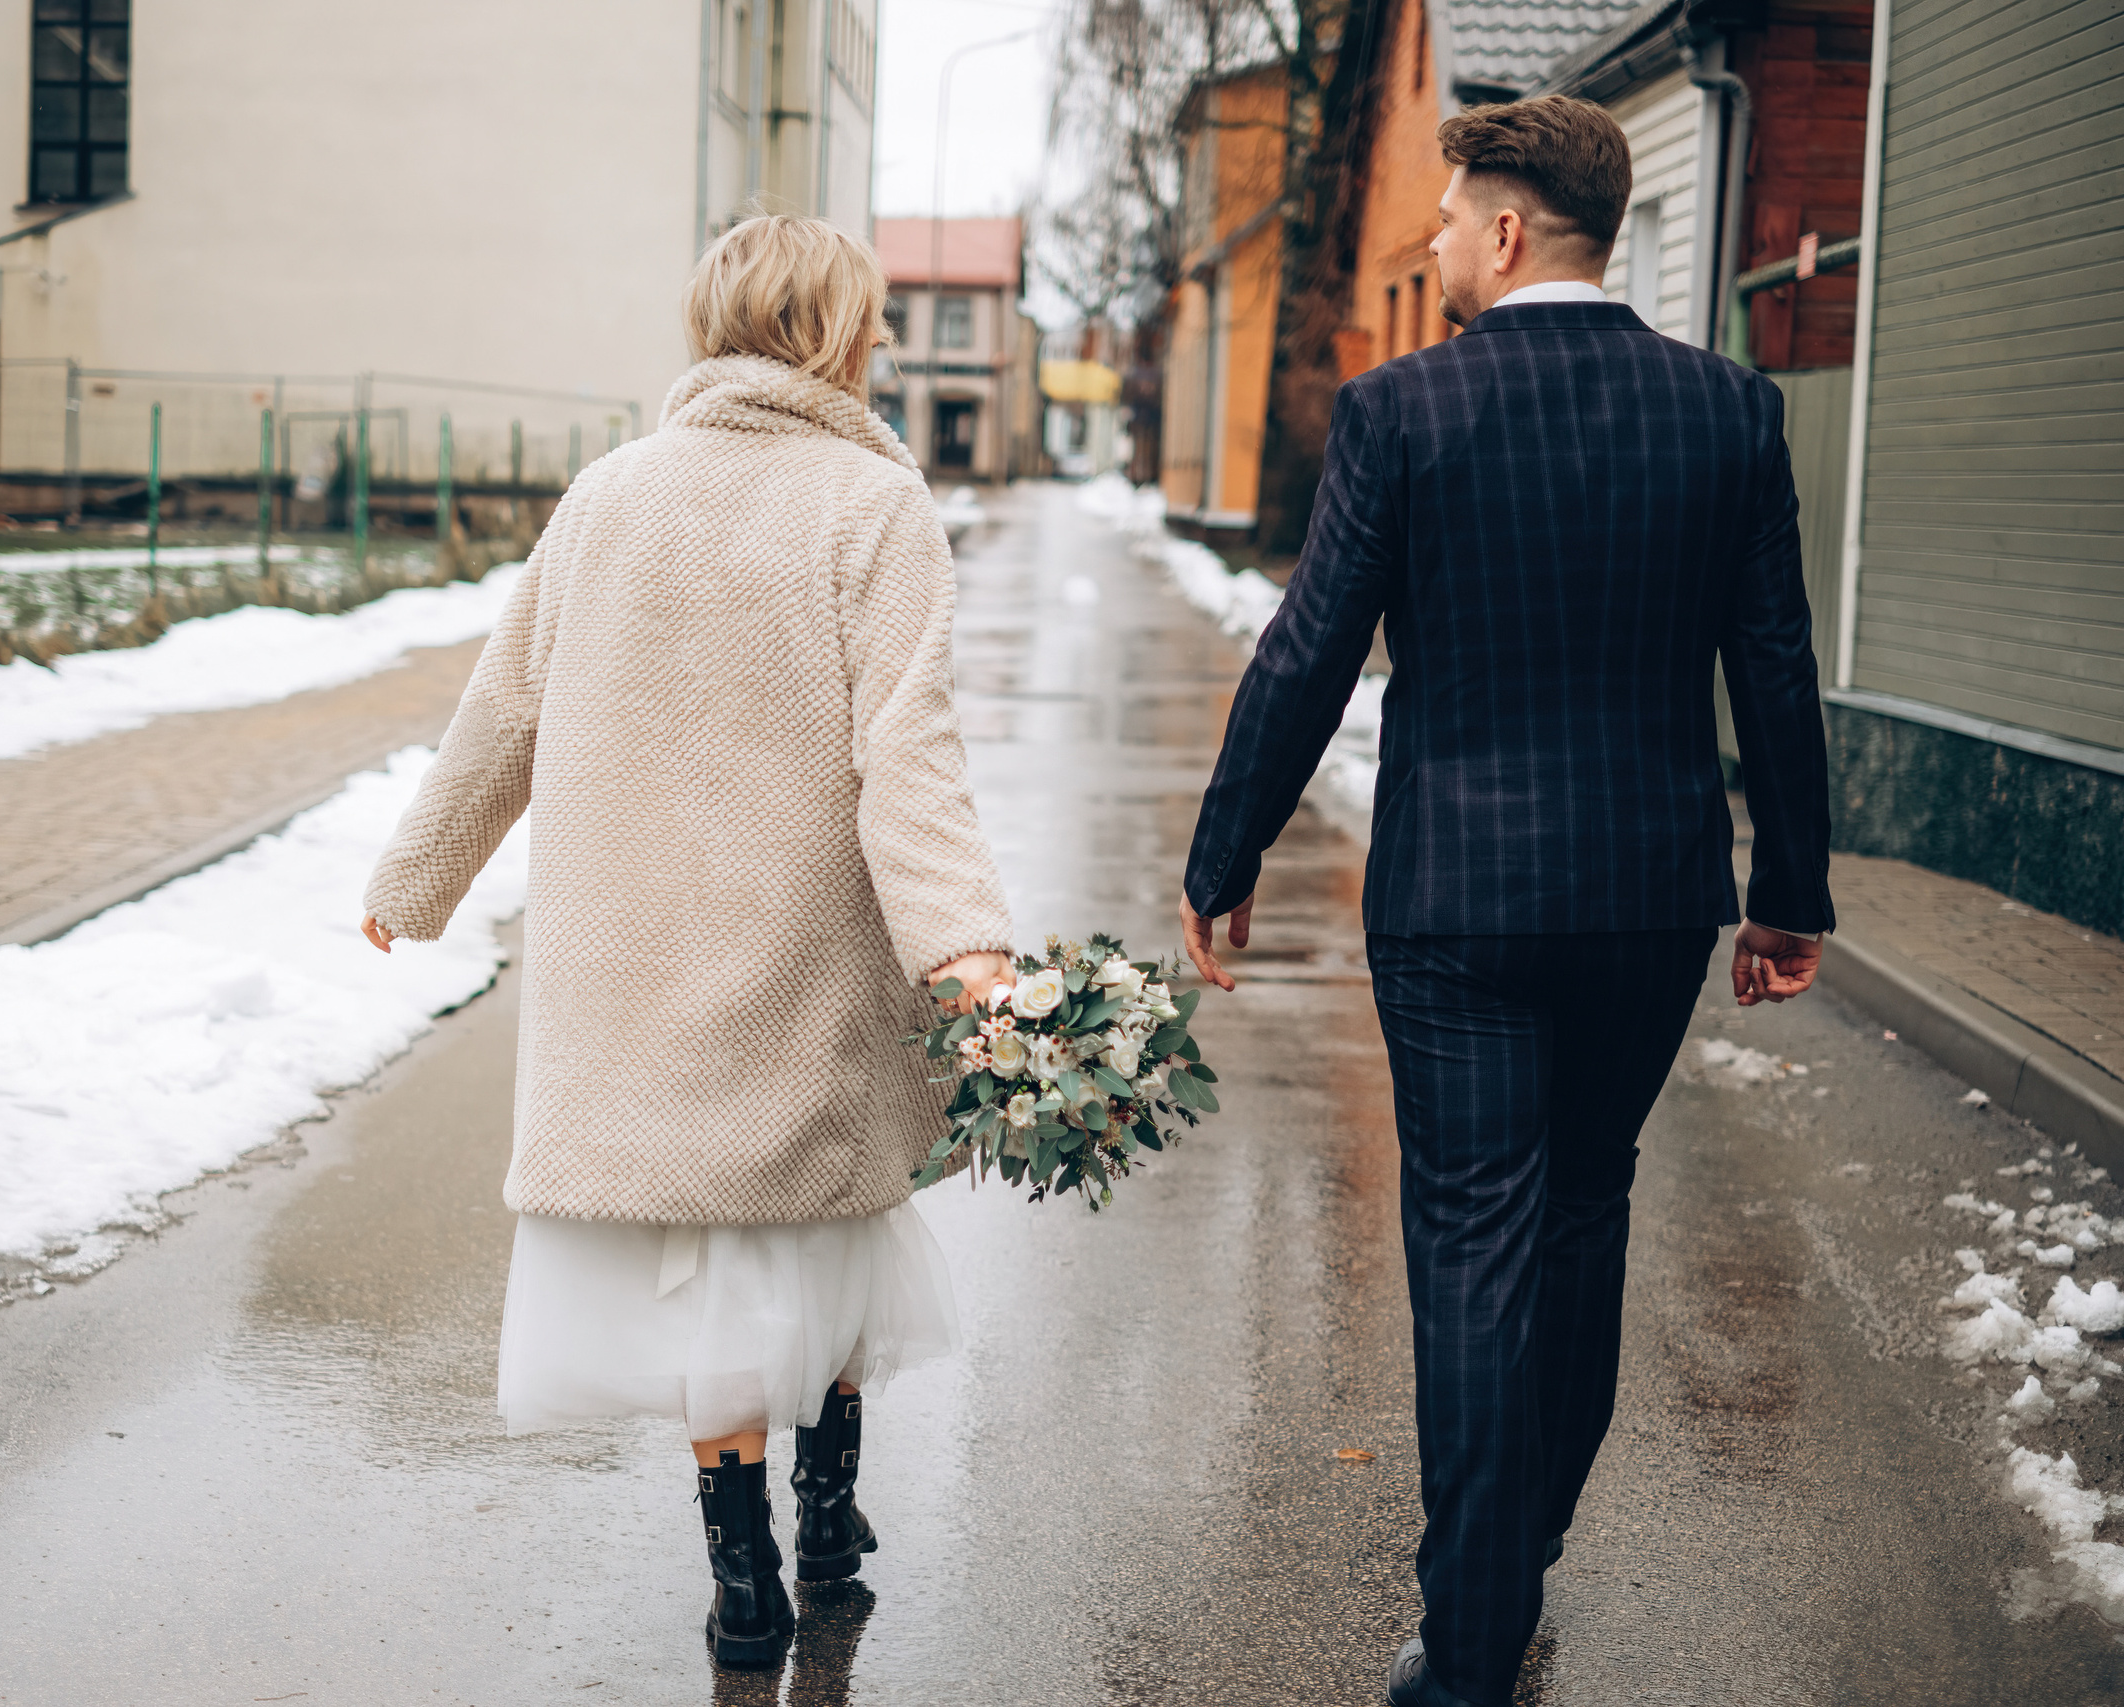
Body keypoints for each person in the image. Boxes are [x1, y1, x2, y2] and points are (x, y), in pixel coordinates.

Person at [1176, 96, 1833, 1707]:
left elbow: (1308, 648)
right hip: (1648, 898)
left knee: (1474, 1241)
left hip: (1458, 904)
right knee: (1585, 1214)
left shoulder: (1402, 410)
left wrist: (1225, 856)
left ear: (1513, 228)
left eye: (1453, 216)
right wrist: (1788, 894)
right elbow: (1774, 666)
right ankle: (1517, 1554)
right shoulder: (1730, 412)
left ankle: (1469, 1645)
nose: (1439, 240)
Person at [358, 213, 1014, 1669]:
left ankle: (743, 1574)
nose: (885, 338)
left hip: (638, 953)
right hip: (808, 944)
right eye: (874, 315)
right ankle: (829, 1519)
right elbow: (909, 753)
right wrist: (966, 951)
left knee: (706, 1271)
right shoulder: (874, 505)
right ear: (832, 332)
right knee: (825, 1230)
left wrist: (417, 873)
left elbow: (506, 709)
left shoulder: (608, 495)